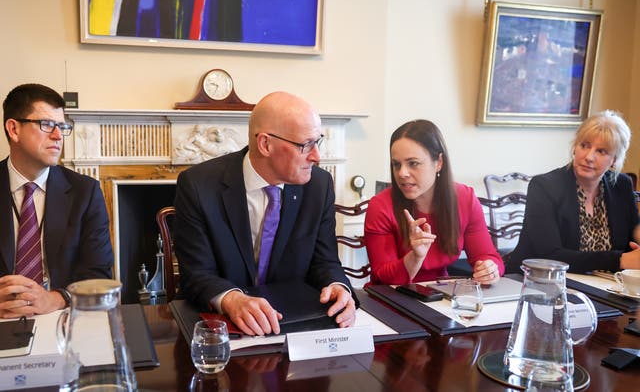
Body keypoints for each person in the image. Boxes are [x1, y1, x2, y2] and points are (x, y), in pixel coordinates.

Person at [173, 91, 357, 336]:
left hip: (291, 325)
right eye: (306, 145)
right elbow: (196, 274)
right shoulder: (198, 185)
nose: (317, 157)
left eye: (318, 141)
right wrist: (231, 299)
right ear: (265, 144)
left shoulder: (319, 186)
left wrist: (337, 286)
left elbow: (325, 261)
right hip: (219, 330)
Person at [0, 83, 113, 318]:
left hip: (63, 316)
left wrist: (55, 298)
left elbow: (99, 273)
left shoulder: (85, 191)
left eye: (61, 126)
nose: (58, 135)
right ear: (14, 129)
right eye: (47, 124)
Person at [364, 119, 504, 285]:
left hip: (440, 294)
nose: (402, 173)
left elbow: (488, 257)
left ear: (439, 163)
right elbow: (385, 278)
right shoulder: (380, 206)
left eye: (413, 163)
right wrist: (416, 256)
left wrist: (489, 269)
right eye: (396, 164)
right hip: (390, 298)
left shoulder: (465, 198)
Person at [506, 110, 640, 273]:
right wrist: (619, 260)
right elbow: (550, 255)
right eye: (584, 145)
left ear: (614, 159)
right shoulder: (544, 186)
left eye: (601, 151)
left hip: (607, 286)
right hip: (542, 281)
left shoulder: (621, 185)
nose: (589, 157)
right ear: (575, 147)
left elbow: (633, 240)